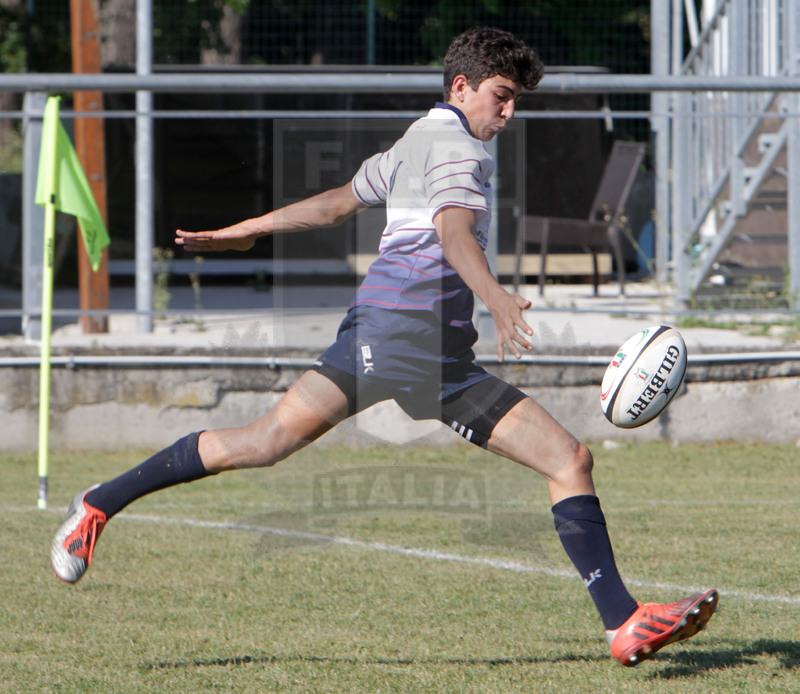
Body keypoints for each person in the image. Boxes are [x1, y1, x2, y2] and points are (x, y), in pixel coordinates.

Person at [51, 26, 717, 667]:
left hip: (410, 345)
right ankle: (622, 621)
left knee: (263, 443)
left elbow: (338, 203)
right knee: (566, 460)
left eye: (516, 100)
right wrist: (494, 296)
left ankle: (99, 502)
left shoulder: (415, 140)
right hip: (408, 342)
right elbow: (453, 232)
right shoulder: (457, 149)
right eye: (502, 96)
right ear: (462, 86)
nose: (509, 112)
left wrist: (250, 228)